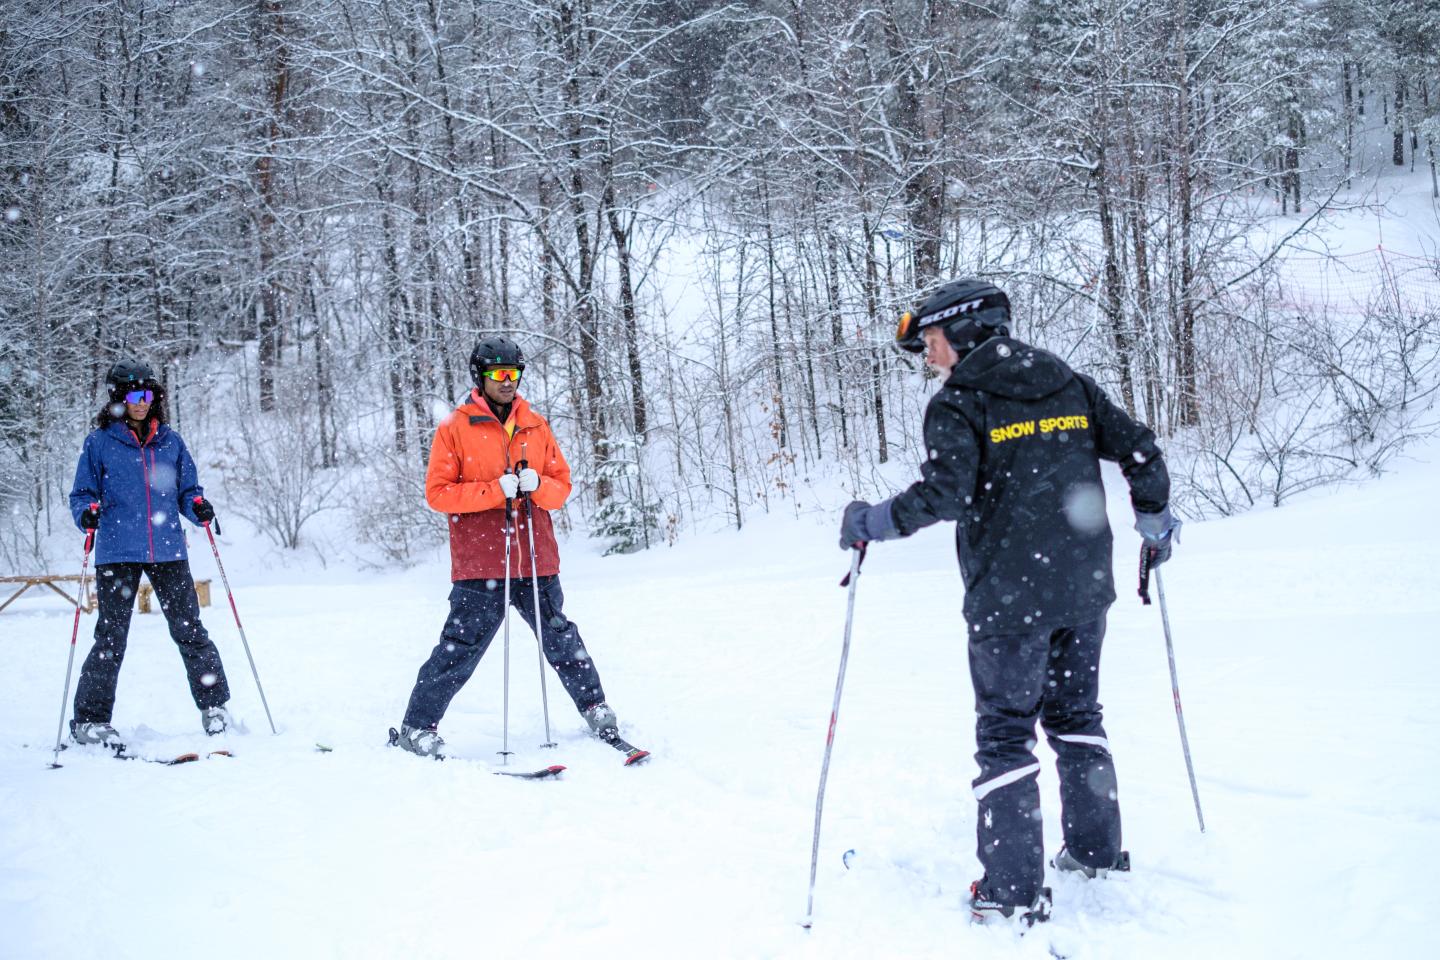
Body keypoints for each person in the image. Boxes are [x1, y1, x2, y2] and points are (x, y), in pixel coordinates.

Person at [838, 280, 1176, 926]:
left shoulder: (960, 403)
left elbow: (945, 496)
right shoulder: (1066, 382)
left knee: (1005, 736)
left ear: (964, 333)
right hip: (1082, 589)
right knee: (1077, 714)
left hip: (1008, 602)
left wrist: (870, 520)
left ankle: (1012, 889)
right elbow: (1140, 449)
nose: (929, 358)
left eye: (931, 342)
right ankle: (1095, 851)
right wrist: (1154, 519)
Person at [395, 336, 624, 758]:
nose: (508, 382)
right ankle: (416, 726)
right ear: (480, 377)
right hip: (481, 563)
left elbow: (562, 487)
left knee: (562, 639)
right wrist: (491, 492)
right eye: (499, 374)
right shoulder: (455, 428)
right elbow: (438, 494)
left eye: (514, 374)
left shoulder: (536, 424)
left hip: (535, 558)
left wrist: (540, 487)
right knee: (458, 649)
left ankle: (595, 706)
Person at [68, 359, 232, 752]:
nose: (141, 403)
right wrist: (86, 513)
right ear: (118, 399)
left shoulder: (170, 442)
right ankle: (90, 720)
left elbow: (187, 491)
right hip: (118, 552)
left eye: (148, 395)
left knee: (190, 629)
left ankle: (215, 708)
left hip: (168, 550)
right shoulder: (100, 442)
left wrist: (198, 506)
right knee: (111, 637)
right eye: (133, 395)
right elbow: (82, 495)